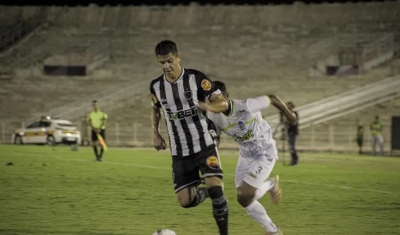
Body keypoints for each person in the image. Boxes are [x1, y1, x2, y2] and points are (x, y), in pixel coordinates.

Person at [150, 40, 229, 235]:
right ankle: (205, 192)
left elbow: (223, 104)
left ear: (178, 57)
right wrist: (155, 132)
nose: (166, 66)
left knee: (217, 191)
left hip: (204, 144)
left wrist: (208, 107)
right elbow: (155, 109)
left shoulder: (197, 78)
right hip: (179, 150)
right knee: (185, 201)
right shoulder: (156, 86)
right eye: (162, 63)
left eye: (169, 60)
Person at [206, 81, 297, 235]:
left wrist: (291, 117)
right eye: (210, 100)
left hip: (264, 152)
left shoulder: (245, 106)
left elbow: (272, 98)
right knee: (243, 199)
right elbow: (217, 138)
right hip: (246, 155)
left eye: (215, 99)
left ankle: (269, 184)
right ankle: (273, 230)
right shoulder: (214, 116)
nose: (213, 103)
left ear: (226, 96)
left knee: (246, 193)